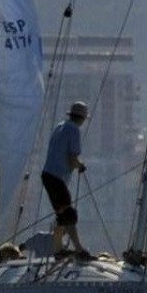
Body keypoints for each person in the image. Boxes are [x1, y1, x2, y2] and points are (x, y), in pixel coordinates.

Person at [41, 101, 90, 259]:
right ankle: (78, 249)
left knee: (62, 214)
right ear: (82, 118)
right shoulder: (74, 130)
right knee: (69, 214)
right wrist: (80, 165)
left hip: (48, 175)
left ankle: (58, 249)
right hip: (57, 178)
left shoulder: (60, 126)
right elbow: (72, 157)